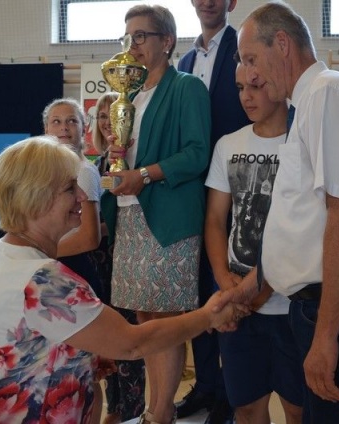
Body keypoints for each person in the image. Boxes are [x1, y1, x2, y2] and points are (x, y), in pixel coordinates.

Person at [0, 136, 246, 424]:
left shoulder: (1, 256)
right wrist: (208, 316)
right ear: (36, 198)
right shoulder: (42, 279)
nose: (82, 196)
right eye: (70, 188)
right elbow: (132, 344)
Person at [234, 2, 339, 423]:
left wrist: (326, 337)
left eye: (251, 59)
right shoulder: (307, 102)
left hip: (338, 309)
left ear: (282, 43)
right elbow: (306, 225)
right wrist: (247, 288)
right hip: (321, 306)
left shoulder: (328, 93)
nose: (249, 75)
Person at [106, 5, 211, 424]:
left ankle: (161, 411)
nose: (131, 44)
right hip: (130, 216)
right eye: (127, 37)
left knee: (165, 317)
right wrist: (115, 157)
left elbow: (197, 153)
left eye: (140, 36)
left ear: (166, 41)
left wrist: (145, 175)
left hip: (168, 218)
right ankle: (156, 406)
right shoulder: (129, 95)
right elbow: (128, 156)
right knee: (145, 318)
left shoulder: (186, 87)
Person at [205, 62, 303, 424]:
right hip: (239, 304)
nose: (246, 96)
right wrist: (226, 283)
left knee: (298, 408)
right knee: (246, 408)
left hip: (291, 305)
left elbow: (302, 232)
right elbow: (215, 221)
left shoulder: (301, 143)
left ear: (278, 84)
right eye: (240, 87)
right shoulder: (228, 144)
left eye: (256, 86)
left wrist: (256, 291)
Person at [177, 2, 250, 422]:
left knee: (229, 286)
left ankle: (229, 391)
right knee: (196, 292)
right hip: (191, 192)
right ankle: (205, 384)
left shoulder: (245, 47)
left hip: (234, 188)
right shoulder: (184, 61)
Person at [91, 92, 146, 424]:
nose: (106, 122)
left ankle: (131, 413)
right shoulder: (95, 165)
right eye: (101, 116)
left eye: (113, 116)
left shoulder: (131, 162)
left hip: (123, 259)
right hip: (98, 266)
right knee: (105, 343)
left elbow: (116, 217)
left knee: (127, 340)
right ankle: (113, 408)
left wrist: (95, 228)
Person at [42, 97, 104, 301]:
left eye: (72, 121)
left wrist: (39, 250)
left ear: (83, 128)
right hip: (55, 264)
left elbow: (89, 237)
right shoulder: (49, 171)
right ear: (46, 129)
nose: (64, 127)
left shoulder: (83, 171)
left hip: (76, 267)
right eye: (56, 121)